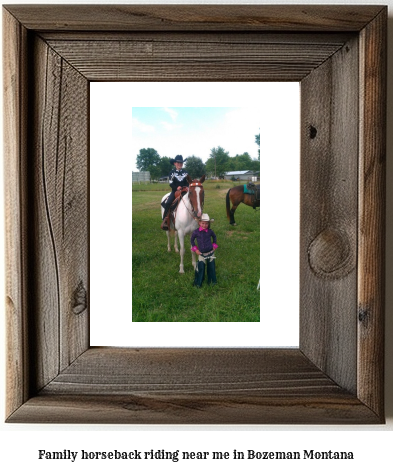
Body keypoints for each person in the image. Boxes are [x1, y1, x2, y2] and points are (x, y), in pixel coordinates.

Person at [161, 155, 188, 230]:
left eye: (181, 163)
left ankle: (196, 216)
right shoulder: (172, 173)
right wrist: (176, 187)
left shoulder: (185, 172)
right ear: (175, 163)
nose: (180, 164)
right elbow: (171, 183)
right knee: (169, 202)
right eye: (178, 163)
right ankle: (165, 220)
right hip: (175, 191)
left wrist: (186, 187)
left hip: (184, 191)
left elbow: (188, 182)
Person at [190, 214, 218, 287]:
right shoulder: (196, 232)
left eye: (206, 223)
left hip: (210, 252)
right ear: (199, 223)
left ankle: (212, 281)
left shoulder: (210, 231)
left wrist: (214, 245)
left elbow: (214, 237)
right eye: (202, 223)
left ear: (208, 224)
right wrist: (195, 249)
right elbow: (192, 240)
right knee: (200, 268)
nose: (204, 225)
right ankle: (198, 282)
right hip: (201, 253)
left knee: (211, 267)